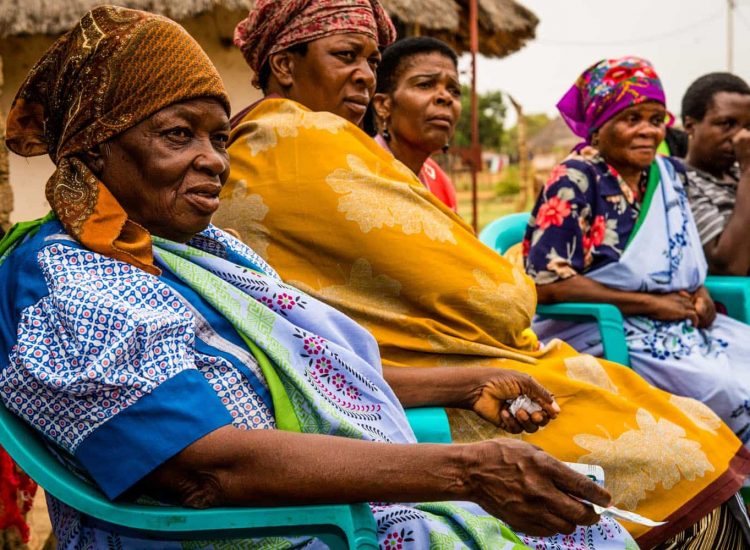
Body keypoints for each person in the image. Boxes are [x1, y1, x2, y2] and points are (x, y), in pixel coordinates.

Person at [0, 6, 643, 549]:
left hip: (329, 511)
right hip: (256, 531)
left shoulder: (181, 246)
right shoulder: (63, 285)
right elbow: (204, 473)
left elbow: (311, 365)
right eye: (178, 135)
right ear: (94, 147)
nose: (212, 162)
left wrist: (468, 382)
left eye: (219, 138)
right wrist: (466, 471)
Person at [214, 3, 750, 546]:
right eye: (345, 56)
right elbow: (497, 295)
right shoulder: (308, 145)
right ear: (285, 64)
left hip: (409, 366)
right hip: (410, 378)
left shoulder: (270, 144)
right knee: (678, 446)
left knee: (682, 405)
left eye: (371, 59)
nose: (363, 73)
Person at [524, 55, 750, 465]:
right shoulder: (576, 178)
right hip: (598, 329)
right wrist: (652, 305)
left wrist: (697, 293)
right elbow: (547, 283)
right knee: (725, 389)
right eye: (631, 119)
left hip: (674, 325)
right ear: (600, 123)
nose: (648, 131)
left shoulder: (666, 174)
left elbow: (680, 254)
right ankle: (723, 499)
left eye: (654, 118)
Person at [365, 36, 459, 211]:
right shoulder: (358, 175)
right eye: (425, 85)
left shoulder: (440, 183)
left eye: (454, 90)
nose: (446, 97)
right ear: (383, 105)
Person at [682, 73, 750, 275]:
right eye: (726, 124)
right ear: (690, 125)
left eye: (748, 127)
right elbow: (729, 265)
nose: (740, 136)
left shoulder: (739, 176)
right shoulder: (680, 181)